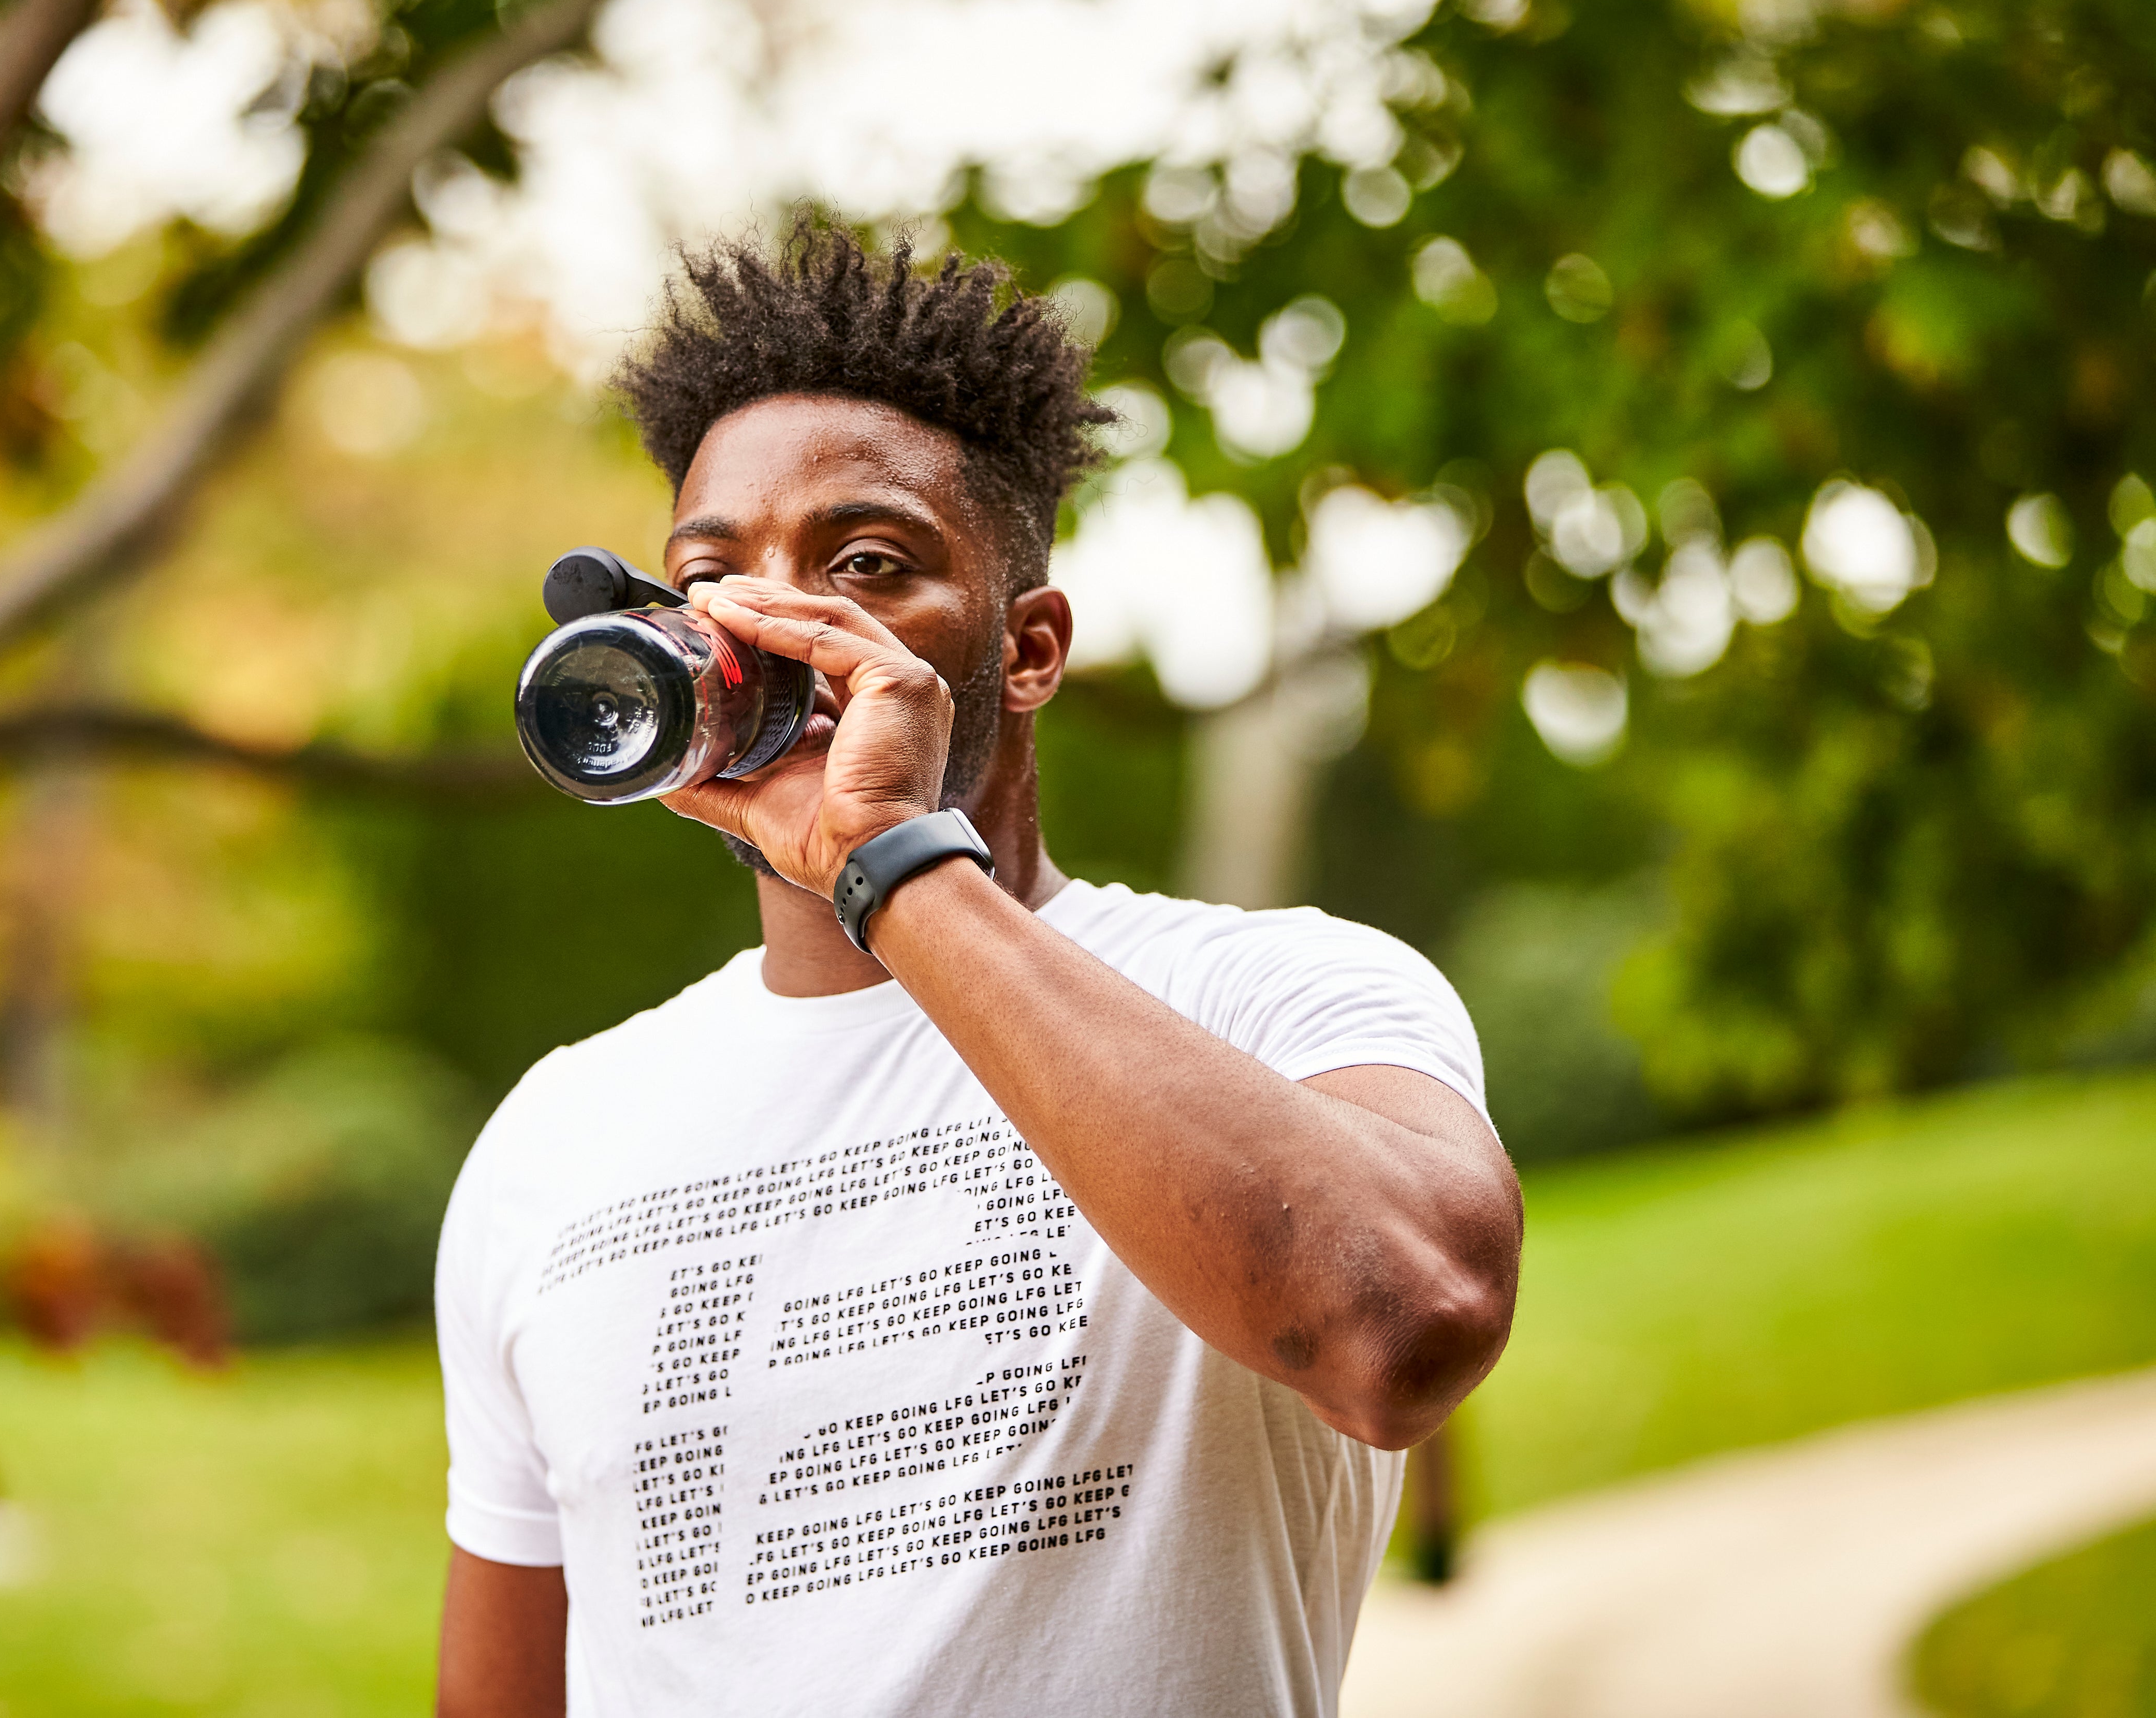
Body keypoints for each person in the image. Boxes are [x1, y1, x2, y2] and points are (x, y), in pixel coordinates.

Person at [433, 224, 1521, 1717]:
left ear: (1026, 651)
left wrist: (883, 860)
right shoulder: (551, 1141)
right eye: (711, 574)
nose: (775, 620)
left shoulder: (1278, 996)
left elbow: (1401, 1328)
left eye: (867, 564)